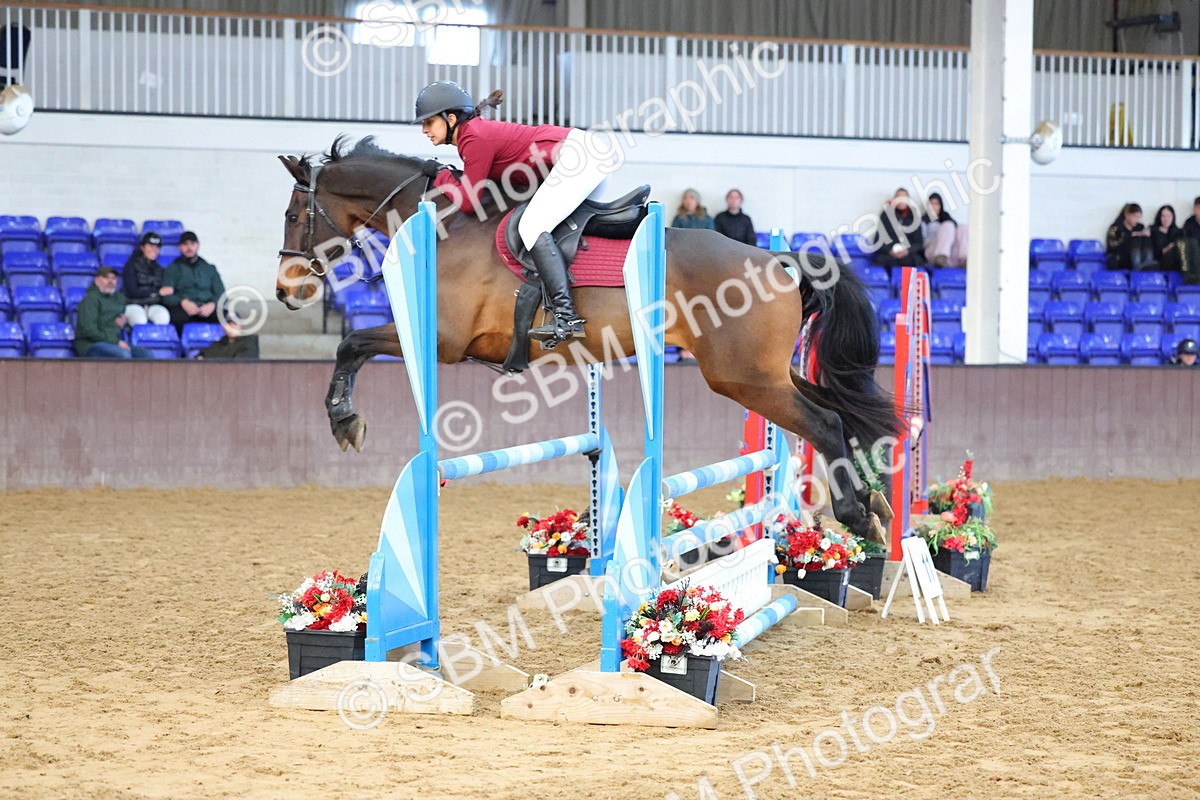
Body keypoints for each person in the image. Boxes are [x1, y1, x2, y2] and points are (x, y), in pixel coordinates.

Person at [417, 80, 611, 344]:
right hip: (583, 154)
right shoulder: (473, 135)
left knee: (531, 227)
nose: (424, 130)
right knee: (552, 225)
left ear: (450, 118)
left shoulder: (474, 137)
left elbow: (469, 203)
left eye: (428, 122)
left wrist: (442, 176)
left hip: (579, 157)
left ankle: (567, 317)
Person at [73, 267, 153, 359]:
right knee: (123, 355)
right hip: (90, 344)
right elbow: (88, 331)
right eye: (106, 278)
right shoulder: (90, 299)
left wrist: (125, 322)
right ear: (96, 281)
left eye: (113, 278)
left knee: (146, 355)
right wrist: (115, 342)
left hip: (114, 342)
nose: (111, 281)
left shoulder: (119, 298)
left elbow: (117, 320)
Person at [161, 231, 224, 333]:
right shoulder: (172, 269)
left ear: (198, 246)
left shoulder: (209, 268)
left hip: (207, 309)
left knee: (231, 318)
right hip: (184, 310)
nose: (189, 248)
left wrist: (212, 305)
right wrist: (182, 302)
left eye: (192, 244)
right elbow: (166, 296)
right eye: (185, 244)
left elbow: (221, 293)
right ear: (180, 247)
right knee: (176, 318)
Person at [121, 232, 171, 326]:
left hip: (153, 305)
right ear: (142, 247)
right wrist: (156, 293)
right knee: (140, 320)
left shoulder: (160, 269)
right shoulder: (131, 266)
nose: (154, 250)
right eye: (151, 246)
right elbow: (132, 291)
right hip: (133, 304)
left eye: (157, 247)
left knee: (163, 317)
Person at [870, 188, 925, 267]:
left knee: (916, 261)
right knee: (880, 261)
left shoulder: (914, 217)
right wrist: (890, 251)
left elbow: (919, 243)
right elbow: (877, 240)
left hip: (908, 256)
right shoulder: (886, 215)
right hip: (889, 255)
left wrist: (907, 251)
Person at [1105, 203, 1154, 271]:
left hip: (1138, 257)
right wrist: (1130, 236)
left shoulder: (1140, 227)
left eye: (1139, 217)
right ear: (1127, 215)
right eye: (1134, 216)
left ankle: (1147, 266)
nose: (1137, 220)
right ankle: (1137, 268)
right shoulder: (1116, 227)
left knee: (1146, 240)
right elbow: (1112, 246)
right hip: (1121, 257)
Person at [922, 192, 958, 267]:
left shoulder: (946, 217)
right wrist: (940, 239)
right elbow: (922, 242)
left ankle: (965, 258)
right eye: (932, 204)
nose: (934, 207)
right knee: (947, 225)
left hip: (948, 254)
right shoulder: (923, 220)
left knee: (962, 227)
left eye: (937, 204)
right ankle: (940, 256)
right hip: (932, 251)